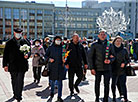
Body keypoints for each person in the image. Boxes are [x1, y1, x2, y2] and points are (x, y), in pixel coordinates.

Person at [2, 28, 29, 102]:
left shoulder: (25, 41)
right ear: (14, 33)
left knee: (20, 80)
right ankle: (15, 93)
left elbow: (28, 51)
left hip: (22, 65)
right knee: (14, 80)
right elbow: (5, 55)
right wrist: (5, 65)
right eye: (17, 32)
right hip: (13, 65)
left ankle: (19, 95)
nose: (18, 34)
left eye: (20, 33)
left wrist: (27, 55)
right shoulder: (9, 43)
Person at [88, 31, 115, 102]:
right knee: (97, 83)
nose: (102, 36)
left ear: (106, 36)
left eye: (104, 34)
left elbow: (114, 56)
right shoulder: (94, 45)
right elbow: (90, 57)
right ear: (98, 36)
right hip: (97, 68)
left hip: (107, 68)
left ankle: (105, 98)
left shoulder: (110, 45)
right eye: (101, 34)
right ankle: (97, 97)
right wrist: (92, 68)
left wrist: (110, 60)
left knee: (107, 84)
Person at [45, 36, 65, 102]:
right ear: (54, 40)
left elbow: (65, 56)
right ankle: (52, 92)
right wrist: (49, 59)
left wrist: (65, 60)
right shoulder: (51, 47)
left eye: (59, 40)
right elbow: (46, 55)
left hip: (60, 67)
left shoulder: (63, 48)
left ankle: (59, 96)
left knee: (60, 82)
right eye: (57, 40)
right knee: (52, 81)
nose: (58, 41)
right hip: (52, 67)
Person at [111, 36, 131, 102]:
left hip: (122, 70)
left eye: (120, 41)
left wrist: (124, 63)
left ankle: (125, 98)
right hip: (113, 69)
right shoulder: (111, 49)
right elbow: (107, 57)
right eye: (117, 41)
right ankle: (114, 97)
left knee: (123, 84)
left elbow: (128, 59)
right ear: (114, 41)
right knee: (113, 84)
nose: (118, 42)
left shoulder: (124, 49)